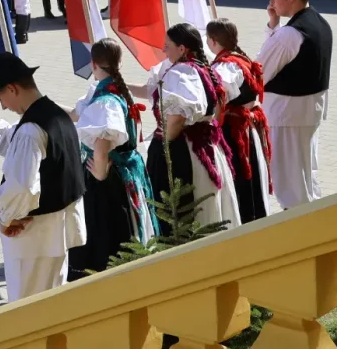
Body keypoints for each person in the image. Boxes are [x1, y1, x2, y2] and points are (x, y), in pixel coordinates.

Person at [0, 53, 86, 302]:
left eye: (0, 97)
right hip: (56, 236)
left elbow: (21, 186)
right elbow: (10, 136)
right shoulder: (57, 116)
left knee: (27, 308)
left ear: (12, 88)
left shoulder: (31, 130)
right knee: (52, 303)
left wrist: (7, 219)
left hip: (33, 240)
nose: (3, 105)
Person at [137, 23, 241, 234]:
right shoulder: (203, 68)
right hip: (206, 148)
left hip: (184, 152)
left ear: (182, 48)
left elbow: (177, 116)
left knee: (183, 215)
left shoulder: (182, 72)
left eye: (167, 46)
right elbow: (217, 112)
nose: (164, 50)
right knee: (208, 209)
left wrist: (164, 143)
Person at [66, 39, 155, 278]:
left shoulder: (105, 101)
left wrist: (100, 171)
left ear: (93, 64)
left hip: (110, 178)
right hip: (125, 169)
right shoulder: (113, 89)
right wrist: (43, 107)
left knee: (107, 235)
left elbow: (102, 141)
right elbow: (76, 114)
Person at [257, 0, 331, 209]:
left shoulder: (290, 34)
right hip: (307, 113)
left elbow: (259, 72)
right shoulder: (320, 22)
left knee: (290, 186)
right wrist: (273, 24)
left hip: (287, 116)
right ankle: (313, 224)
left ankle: (303, 234)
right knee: (306, 177)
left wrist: (272, 28)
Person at [205, 19, 271, 224]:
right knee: (249, 179)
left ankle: (245, 221)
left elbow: (218, 94)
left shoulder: (227, 66)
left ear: (214, 41)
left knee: (241, 179)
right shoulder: (241, 58)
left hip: (236, 133)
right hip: (246, 128)